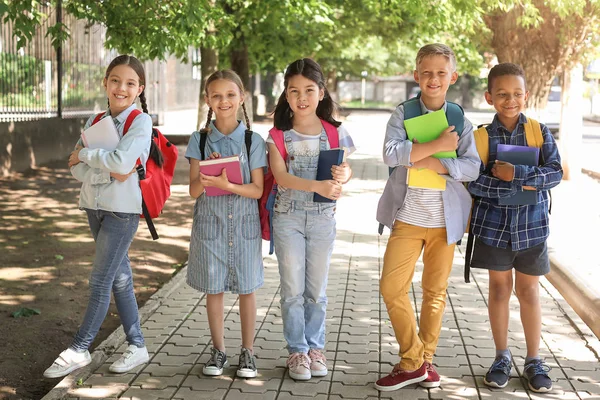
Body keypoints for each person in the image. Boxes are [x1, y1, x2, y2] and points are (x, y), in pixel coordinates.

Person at [375, 43, 480, 391]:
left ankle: (424, 362)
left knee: (435, 291)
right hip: (408, 217)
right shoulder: (402, 113)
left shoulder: (460, 119)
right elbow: (391, 155)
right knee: (391, 288)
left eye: (440, 72)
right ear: (416, 75)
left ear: (452, 76)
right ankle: (414, 359)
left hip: (445, 221)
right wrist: (435, 144)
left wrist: (434, 161)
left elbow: (471, 167)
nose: (433, 79)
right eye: (426, 72)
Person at [44, 55, 154, 378]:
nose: (122, 88)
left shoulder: (140, 122)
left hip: (121, 213)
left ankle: (80, 348)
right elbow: (75, 168)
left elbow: (116, 164)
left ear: (139, 89)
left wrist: (91, 156)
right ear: (105, 83)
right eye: (115, 81)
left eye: (130, 83)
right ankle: (137, 345)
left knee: (100, 279)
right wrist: (105, 167)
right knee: (120, 278)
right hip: (94, 208)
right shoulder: (95, 120)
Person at [467, 63, 562, 393]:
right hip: (493, 227)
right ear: (489, 96)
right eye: (503, 94)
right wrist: (508, 186)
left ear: (526, 95)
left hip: (533, 227)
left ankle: (534, 359)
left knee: (529, 291)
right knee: (498, 290)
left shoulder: (539, 131)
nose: (511, 100)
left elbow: (555, 173)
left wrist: (516, 177)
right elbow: (471, 180)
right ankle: (501, 356)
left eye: (517, 94)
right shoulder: (479, 136)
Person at [268, 58, 355, 380]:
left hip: (322, 219)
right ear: (286, 96)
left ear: (321, 93)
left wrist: (344, 175)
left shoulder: (336, 132)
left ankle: (315, 348)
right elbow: (280, 177)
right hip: (288, 218)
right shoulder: (277, 134)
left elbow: (345, 171)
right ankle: (297, 352)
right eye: (294, 91)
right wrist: (316, 185)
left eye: (308, 90)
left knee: (316, 290)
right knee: (292, 289)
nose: (301, 97)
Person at [185, 69, 267, 378]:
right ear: (207, 100)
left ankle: (248, 351)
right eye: (216, 95)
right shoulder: (199, 140)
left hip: (244, 226)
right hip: (211, 225)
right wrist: (208, 175)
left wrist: (228, 184)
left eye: (230, 95)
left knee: (247, 288)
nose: (224, 101)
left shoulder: (253, 140)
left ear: (241, 98)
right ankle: (218, 350)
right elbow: (193, 189)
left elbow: (257, 190)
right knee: (214, 289)